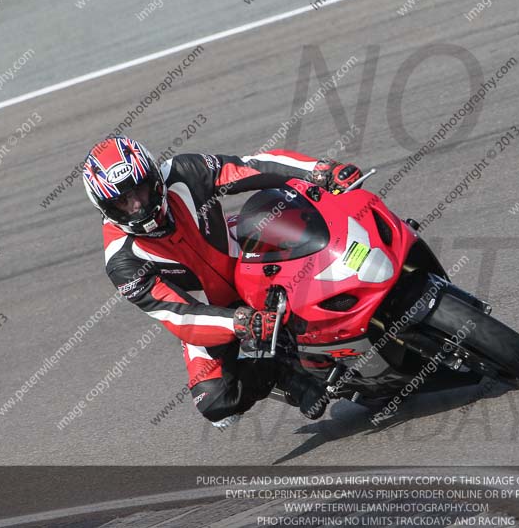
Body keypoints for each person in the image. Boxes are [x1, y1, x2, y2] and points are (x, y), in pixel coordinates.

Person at [82, 136, 361, 428]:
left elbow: (249, 167)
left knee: (286, 213)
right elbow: (179, 315)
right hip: (209, 311)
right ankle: (285, 373)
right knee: (214, 400)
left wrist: (319, 170)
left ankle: (366, 261)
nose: (138, 205)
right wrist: (238, 322)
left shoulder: (183, 172)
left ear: (153, 177)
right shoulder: (122, 261)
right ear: (106, 209)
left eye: (139, 189)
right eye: (123, 202)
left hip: (246, 257)